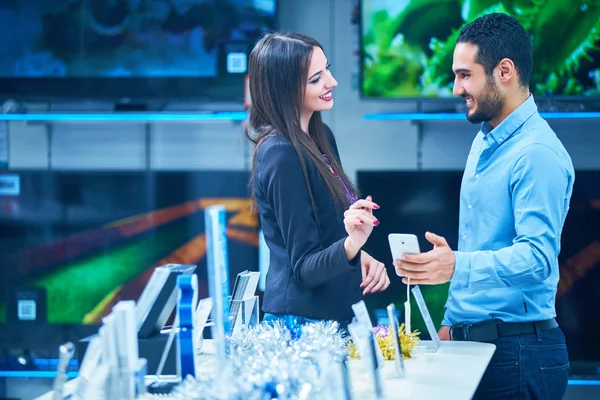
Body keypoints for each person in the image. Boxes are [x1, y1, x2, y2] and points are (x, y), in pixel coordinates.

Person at [393, 13, 574, 400]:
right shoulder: (486, 137)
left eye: (464, 75)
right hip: (476, 344)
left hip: (518, 352)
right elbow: (481, 243)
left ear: (504, 71)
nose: (456, 88)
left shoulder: (536, 153)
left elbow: (538, 258)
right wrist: (453, 324)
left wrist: (456, 264)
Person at [243, 32, 390, 331]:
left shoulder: (321, 139)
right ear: (284, 89)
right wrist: (352, 245)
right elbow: (305, 269)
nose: (332, 82)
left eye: (328, 70)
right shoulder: (280, 153)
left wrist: (356, 253)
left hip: (329, 319)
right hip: (300, 327)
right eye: (316, 78)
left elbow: (327, 236)